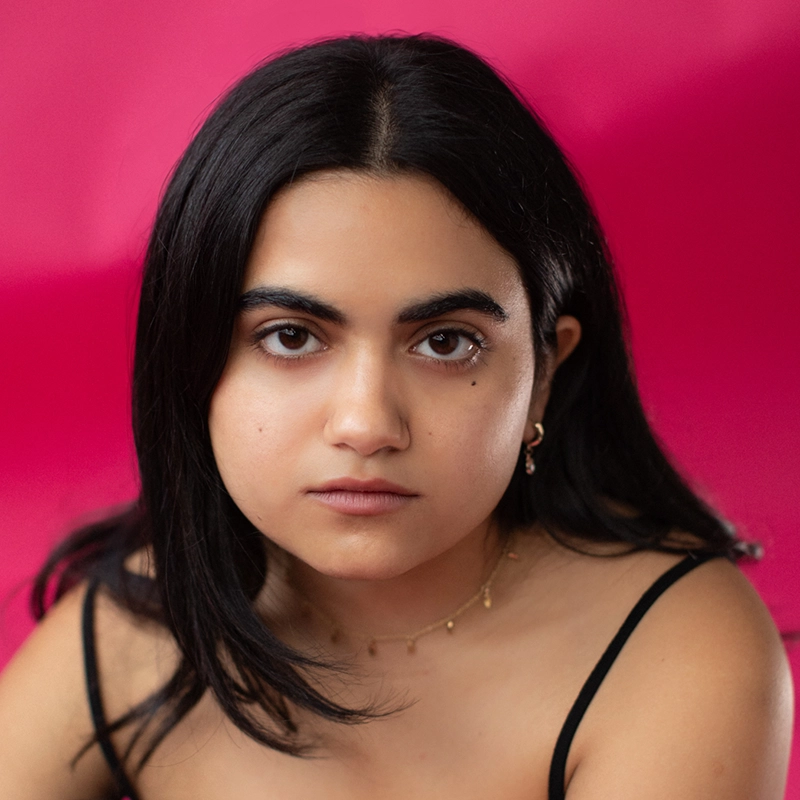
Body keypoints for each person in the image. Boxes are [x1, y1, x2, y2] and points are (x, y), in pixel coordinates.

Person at [0, 33, 792, 799]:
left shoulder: (669, 648)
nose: (367, 424)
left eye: (446, 343)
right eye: (290, 336)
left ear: (545, 374)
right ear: (191, 362)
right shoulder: (135, 632)